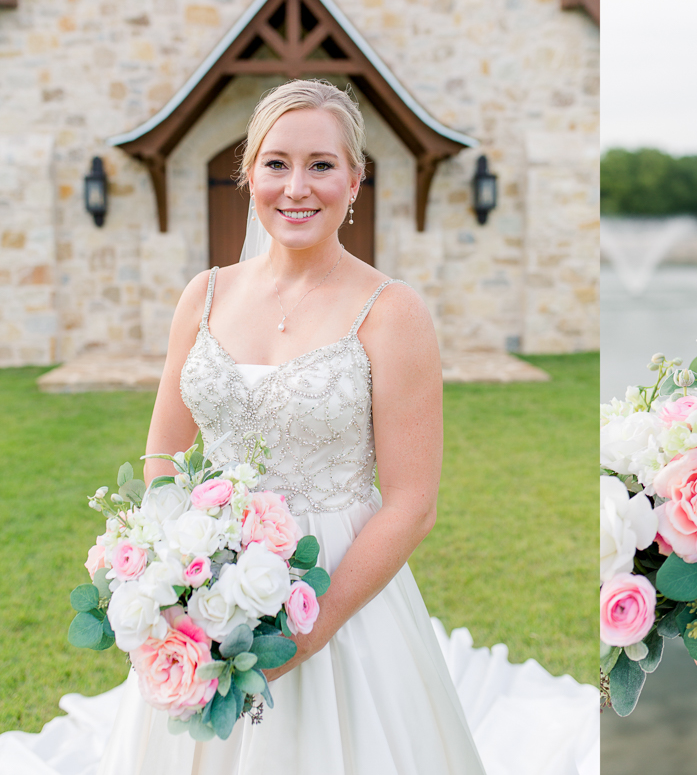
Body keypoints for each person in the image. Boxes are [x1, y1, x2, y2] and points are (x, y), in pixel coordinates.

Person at [96, 79, 488, 774]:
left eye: (321, 164)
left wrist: (308, 634)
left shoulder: (393, 312)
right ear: (248, 174)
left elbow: (411, 503)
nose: (296, 186)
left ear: (355, 180)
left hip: (339, 586)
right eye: (276, 163)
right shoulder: (204, 295)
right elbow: (164, 450)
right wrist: (178, 573)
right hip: (207, 575)